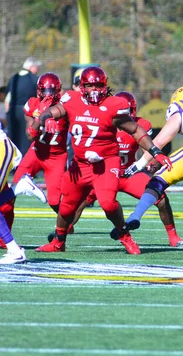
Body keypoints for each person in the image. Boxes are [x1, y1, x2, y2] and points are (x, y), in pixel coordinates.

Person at [33, 66, 172, 254]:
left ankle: (125, 235)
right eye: (90, 86)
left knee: (108, 203)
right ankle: (58, 243)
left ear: (105, 86)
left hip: (106, 162)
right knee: (66, 207)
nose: (95, 90)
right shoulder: (71, 100)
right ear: (82, 87)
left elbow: (136, 130)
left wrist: (156, 152)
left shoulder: (114, 105)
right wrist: (48, 118)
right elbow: (50, 112)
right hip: (80, 165)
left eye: (98, 85)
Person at [52, 92, 183, 248]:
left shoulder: (140, 125)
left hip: (127, 174)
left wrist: (152, 163)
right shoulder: (103, 120)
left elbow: (147, 151)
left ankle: (173, 236)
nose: (124, 115)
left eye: (128, 112)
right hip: (102, 172)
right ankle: (64, 230)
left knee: (160, 197)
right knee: (78, 202)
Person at [124, 86, 183, 235]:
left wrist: (140, 164)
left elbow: (160, 141)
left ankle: (135, 216)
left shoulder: (180, 107)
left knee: (158, 180)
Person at [0, 73, 68, 235]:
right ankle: (5, 235)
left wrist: (53, 113)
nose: (48, 94)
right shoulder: (32, 104)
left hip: (56, 157)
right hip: (36, 152)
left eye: (52, 90)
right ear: (38, 90)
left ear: (58, 91)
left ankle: (65, 224)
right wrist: (42, 117)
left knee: (53, 200)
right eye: (45, 90)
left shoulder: (65, 106)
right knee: (13, 190)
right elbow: (30, 135)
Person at [6, 57, 42, 155]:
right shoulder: (34, 79)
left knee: (13, 137)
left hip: (12, 111)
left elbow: (7, 97)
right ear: (32, 67)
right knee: (26, 138)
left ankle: (13, 163)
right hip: (27, 112)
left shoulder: (14, 78)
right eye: (37, 67)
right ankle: (25, 162)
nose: (37, 69)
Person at [137, 89, 171, 155]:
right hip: (164, 132)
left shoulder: (145, 108)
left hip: (151, 134)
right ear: (160, 95)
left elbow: (138, 119)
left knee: (151, 154)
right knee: (165, 153)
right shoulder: (166, 107)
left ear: (150, 96)